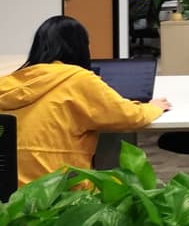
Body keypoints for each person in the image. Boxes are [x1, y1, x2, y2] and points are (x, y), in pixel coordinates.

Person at [0, 16, 171, 186]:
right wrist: (153, 107)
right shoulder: (78, 80)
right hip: (59, 189)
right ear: (81, 47)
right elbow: (129, 116)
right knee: (131, 186)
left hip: (11, 193)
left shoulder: (10, 82)